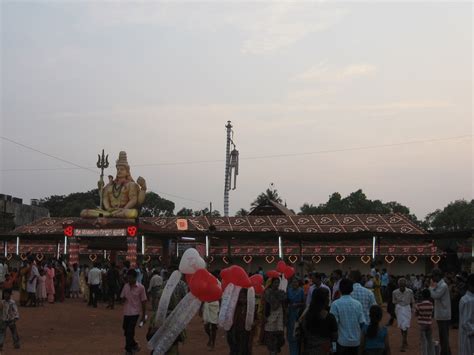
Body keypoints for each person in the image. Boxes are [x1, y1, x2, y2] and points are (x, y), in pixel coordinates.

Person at [330, 278, 364, 355]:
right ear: (352, 289)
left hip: (341, 341)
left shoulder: (335, 304)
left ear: (340, 289)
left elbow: (333, 327)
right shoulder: (358, 304)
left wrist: (334, 347)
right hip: (355, 342)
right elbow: (362, 323)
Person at [299, 287, 337, 354]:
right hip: (324, 350)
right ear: (325, 300)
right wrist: (334, 349)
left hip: (310, 349)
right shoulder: (330, 317)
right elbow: (335, 337)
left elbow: (304, 331)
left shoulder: (307, 315)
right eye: (327, 297)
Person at [121, 269, 147, 355]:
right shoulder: (126, 286)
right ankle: (134, 345)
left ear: (135, 278)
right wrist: (123, 299)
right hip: (126, 312)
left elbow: (143, 301)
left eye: (131, 278)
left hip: (135, 313)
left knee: (130, 331)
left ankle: (129, 350)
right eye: (128, 278)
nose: (129, 280)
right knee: (125, 330)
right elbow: (123, 297)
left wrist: (143, 315)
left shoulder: (141, 288)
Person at [429, 269, 452, 355]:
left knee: (444, 337)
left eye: (433, 276)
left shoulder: (443, 285)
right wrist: (432, 287)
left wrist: (431, 287)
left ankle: (445, 353)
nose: (432, 278)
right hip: (442, 314)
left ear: (438, 276)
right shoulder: (439, 285)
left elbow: (435, 295)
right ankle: (447, 352)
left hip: (443, 315)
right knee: (443, 336)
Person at [226, 288, 253, 355]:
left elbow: (254, 318)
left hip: (245, 332)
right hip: (235, 331)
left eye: (244, 297)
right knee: (235, 348)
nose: (242, 299)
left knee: (244, 349)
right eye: (241, 297)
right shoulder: (235, 307)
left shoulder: (250, 308)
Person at [264, 278, 286, 355]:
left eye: (278, 283)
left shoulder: (281, 292)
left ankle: (275, 350)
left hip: (279, 315)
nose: (276, 284)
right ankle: (272, 351)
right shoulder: (267, 292)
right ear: (271, 283)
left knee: (279, 336)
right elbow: (270, 305)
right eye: (275, 282)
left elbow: (284, 302)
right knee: (270, 336)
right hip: (270, 315)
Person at [392, 278, 415, 352]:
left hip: (407, 308)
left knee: (406, 325)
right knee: (402, 326)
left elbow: (413, 301)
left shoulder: (410, 291)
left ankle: (403, 342)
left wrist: (413, 308)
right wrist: (399, 302)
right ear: (398, 285)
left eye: (403, 286)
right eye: (400, 286)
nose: (402, 287)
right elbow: (393, 301)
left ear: (405, 285)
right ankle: (404, 341)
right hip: (399, 308)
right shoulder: (394, 292)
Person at [287, 278, 305, 355]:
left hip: (298, 313)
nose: (294, 284)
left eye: (296, 282)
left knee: (297, 333)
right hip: (290, 313)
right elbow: (286, 301)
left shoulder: (301, 290)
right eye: (293, 282)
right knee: (290, 334)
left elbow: (304, 303)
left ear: (298, 283)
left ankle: (297, 352)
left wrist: (297, 304)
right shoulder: (289, 290)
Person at [415, 289, 434, 355]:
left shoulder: (419, 305)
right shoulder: (431, 304)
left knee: (423, 342)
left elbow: (416, 314)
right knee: (430, 341)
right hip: (429, 324)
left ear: (422, 296)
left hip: (422, 324)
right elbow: (431, 313)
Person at [458, 273, 474, 355]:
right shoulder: (469, 300)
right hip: (469, 336)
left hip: (465, 335)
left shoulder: (465, 298)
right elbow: (466, 322)